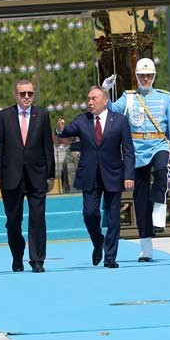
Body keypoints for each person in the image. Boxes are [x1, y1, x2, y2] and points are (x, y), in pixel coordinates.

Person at [102, 58, 170, 262]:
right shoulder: (129, 98)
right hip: (137, 150)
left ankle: (159, 206)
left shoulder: (164, 98)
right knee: (140, 198)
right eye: (142, 76)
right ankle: (146, 245)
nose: (145, 79)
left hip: (159, 145)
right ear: (137, 77)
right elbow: (111, 109)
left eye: (149, 75)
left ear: (154, 76)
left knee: (162, 171)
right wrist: (105, 90)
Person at [56, 86, 134, 268]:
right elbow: (67, 131)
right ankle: (98, 241)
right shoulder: (82, 120)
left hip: (113, 174)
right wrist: (60, 129)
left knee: (113, 218)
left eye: (94, 98)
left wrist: (129, 175)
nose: (90, 102)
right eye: (88, 99)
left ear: (105, 100)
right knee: (89, 213)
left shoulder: (120, 121)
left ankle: (110, 258)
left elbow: (128, 150)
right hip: (89, 175)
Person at [0, 80, 55, 273]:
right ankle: (17, 256)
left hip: (37, 175)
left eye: (30, 93)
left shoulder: (42, 115)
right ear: (16, 95)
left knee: (38, 219)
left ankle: (37, 259)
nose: (27, 97)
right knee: (13, 221)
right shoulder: (4, 116)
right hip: (11, 176)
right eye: (23, 94)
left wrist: (50, 175)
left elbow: (48, 147)